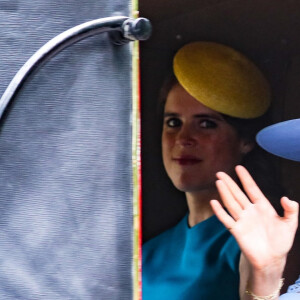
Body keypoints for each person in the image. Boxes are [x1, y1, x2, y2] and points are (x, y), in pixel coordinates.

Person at [142, 41, 299, 300]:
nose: (183, 138)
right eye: (173, 122)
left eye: (206, 124)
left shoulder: (269, 235)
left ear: (245, 140)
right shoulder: (147, 254)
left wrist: (265, 275)